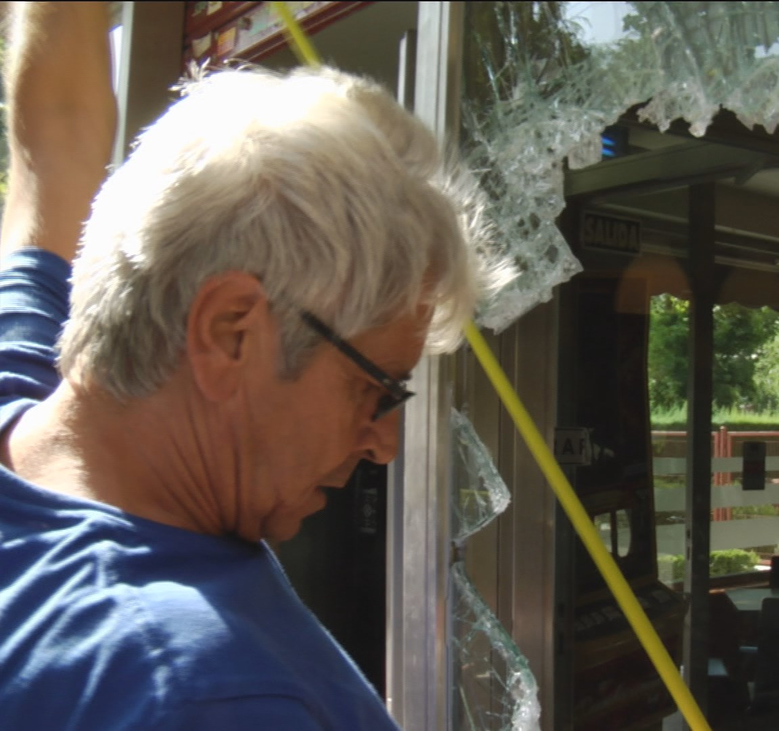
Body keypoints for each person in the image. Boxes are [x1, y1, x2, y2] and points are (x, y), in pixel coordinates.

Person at [0, 3, 482, 727]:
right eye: (375, 387)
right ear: (230, 332)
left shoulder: (28, 382)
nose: (383, 440)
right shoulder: (205, 692)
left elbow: (54, 138)